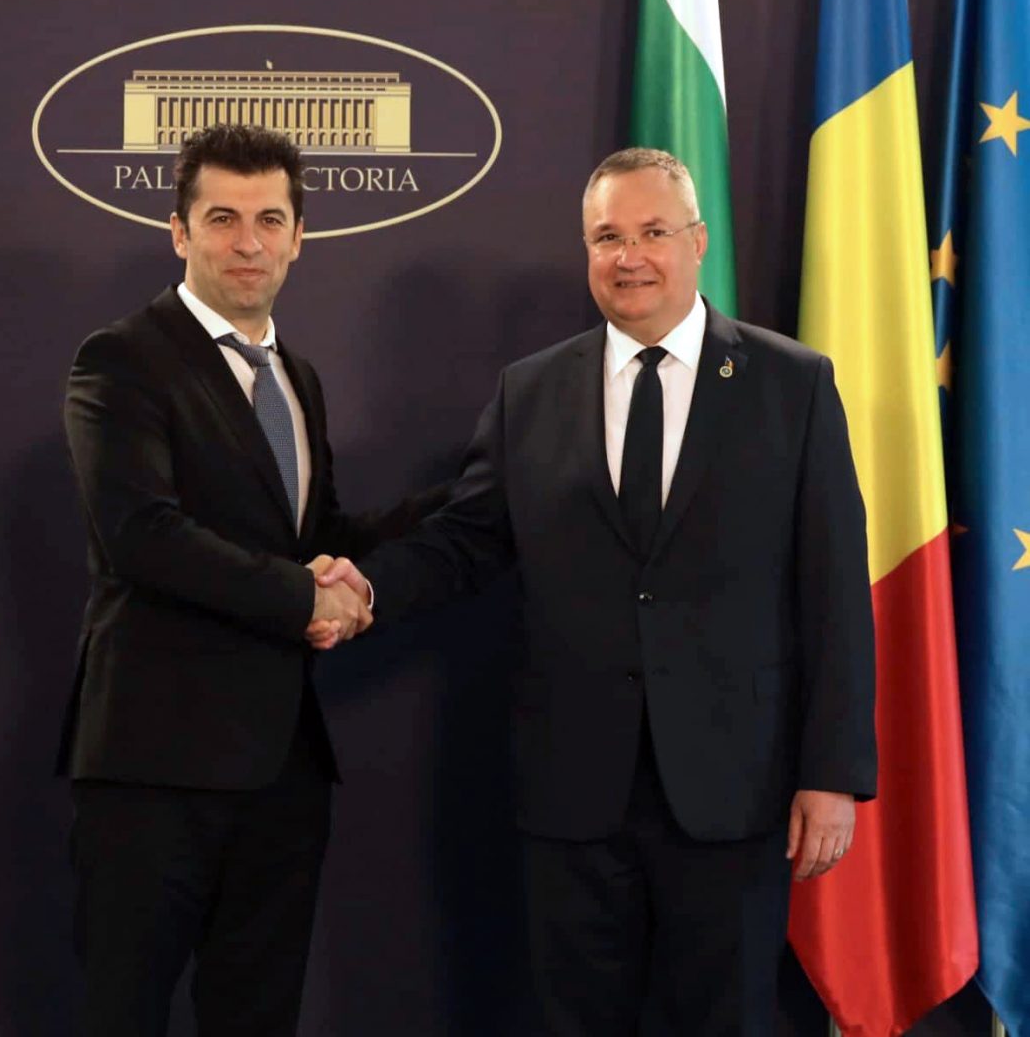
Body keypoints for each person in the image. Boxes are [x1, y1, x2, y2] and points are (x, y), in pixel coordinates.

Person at [315, 148, 877, 1035]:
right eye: (607, 237)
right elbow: (467, 542)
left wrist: (832, 774)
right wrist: (367, 590)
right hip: (573, 785)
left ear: (697, 241)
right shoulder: (531, 391)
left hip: (733, 787)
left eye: (652, 232)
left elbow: (834, 589)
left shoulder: (791, 384)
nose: (629, 257)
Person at [59, 123, 443, 1037]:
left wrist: (474, 495)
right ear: (179, 232)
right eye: (222, 218)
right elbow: (142, 535)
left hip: (280, 771)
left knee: (258, 1016)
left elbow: (319, 538)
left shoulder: (296, 377)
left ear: (299, 237)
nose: (247, 242)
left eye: (269, 219)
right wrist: (306, 598)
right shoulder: (120, 359)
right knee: (122, 1014)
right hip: (153, 767)